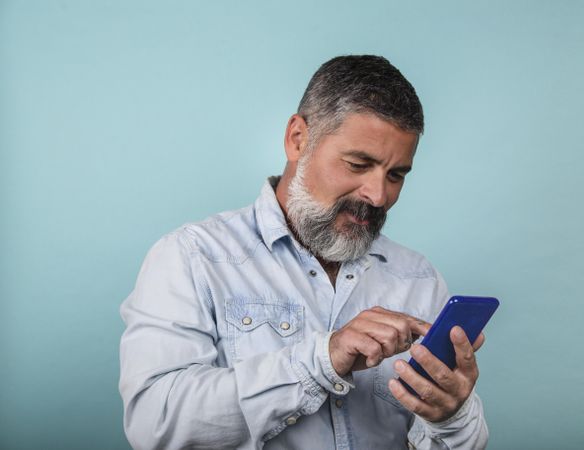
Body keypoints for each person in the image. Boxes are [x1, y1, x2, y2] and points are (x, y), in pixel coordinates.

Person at [119, 55, 489, 450]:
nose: (379, 196)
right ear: (298, 139)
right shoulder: (192, 257)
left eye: (396, 175)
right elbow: (153, 424)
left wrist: (452, 417)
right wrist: (322, 359)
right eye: (358, 163)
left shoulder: (418, 279)